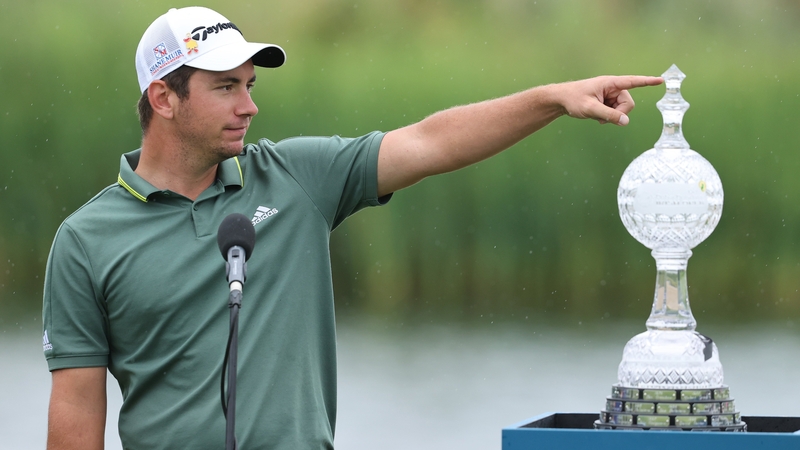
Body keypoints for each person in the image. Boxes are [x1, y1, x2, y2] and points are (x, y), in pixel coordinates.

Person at [42, 6, 663, 450]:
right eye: (225, 87)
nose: (249, 105)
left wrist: (551, 99)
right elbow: (75, 418)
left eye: (250, 85)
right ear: (163, 98)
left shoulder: (296, 177)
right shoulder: (86, 241)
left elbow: (431, 142)